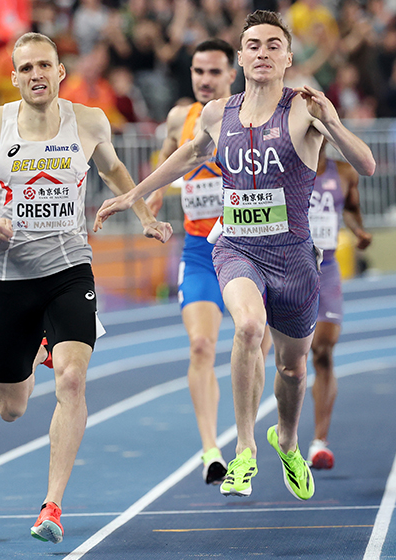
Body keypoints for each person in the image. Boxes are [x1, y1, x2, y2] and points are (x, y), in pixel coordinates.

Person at [95, 11, 376, 501]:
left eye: (273, 45)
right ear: (240, 57)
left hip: (293, 258)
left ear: (288, 57)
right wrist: (131, 196)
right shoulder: (215, 113)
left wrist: (332, 121)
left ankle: (285, 440)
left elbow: (366, 165)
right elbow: (187, 157)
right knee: (247, 327)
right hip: (236, 248)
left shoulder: (304, 109)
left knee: (293, 368)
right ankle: (244, 450)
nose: (262, 52)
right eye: (253, 44)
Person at [0, 32, 172, 544]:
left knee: (72, 380)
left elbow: (117, 172)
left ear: (60, 71)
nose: (36, 75)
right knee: (11, 407)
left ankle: (52, 506)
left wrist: (142, 213)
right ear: (13, 77)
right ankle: (35, 350)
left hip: (70, 270)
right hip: (9, 278)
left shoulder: (88, 121)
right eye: (25, 68)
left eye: (44, 65)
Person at [145, 38, 272, 486]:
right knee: (201, 346)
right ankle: (211, 450)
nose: (204, 80)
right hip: (199, 251)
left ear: (231, 75)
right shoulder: (181, 118)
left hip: (247, 249)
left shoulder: (247, 115)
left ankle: (247, 439)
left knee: (256, 345)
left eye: (214, 72)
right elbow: (167, 156)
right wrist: (155, 195)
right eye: (198, 71)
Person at [306, 142, 372, 470]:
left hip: (328, 268)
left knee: (323, 350)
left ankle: (320, 440)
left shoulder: (343, 173)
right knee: (289, 360)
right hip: (292, 268)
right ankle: (286, 432)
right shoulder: (287, 168)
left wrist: (358, 230)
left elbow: (349, 209)